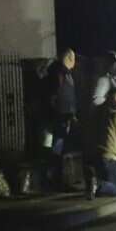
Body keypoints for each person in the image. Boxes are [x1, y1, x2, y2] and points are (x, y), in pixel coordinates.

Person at [41, 48, 78, 190]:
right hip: (59, 120)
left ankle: (55, 181)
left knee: (57, 152)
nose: (74, 62)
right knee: (56, 152)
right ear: (69, 58)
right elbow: (54, 97)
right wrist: (61, 116)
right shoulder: (60, 74)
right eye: (73, 59)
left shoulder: (61, 73)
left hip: (61, 118)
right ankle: (55, 182)